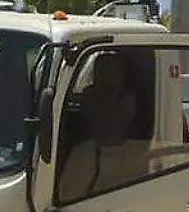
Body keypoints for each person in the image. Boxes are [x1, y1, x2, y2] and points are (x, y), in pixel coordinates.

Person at [56, 52, 150, 203]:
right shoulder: (80, 154)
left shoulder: (141, 156)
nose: (99, 111)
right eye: (102, 72)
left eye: (111, 73)